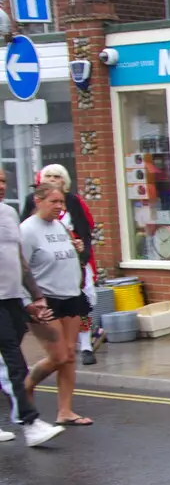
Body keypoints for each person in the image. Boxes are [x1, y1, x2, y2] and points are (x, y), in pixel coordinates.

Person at [0, 169, 65, 446]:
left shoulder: (9, 214)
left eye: (3, 181)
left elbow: (19, 259)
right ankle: (30, 424)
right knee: (14, 363)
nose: (1, 186)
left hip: (12, 297)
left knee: (6, 364)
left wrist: (35, 296)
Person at [21, 185, 94, 426]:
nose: (60, 207)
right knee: (58, 356)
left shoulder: (61, 226)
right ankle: (25, 387)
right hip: (45, 300)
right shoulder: (28, 230)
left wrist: (77, 249)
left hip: (70, 296)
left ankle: (65, 411)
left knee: (70, 355)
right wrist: (29, 302)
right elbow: (21, 269)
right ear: (38, 200)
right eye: (54, 202)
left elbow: (66, 254)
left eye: (62, 203)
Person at [26, 165, 99, 365]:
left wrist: (81, 254)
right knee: (60, 356)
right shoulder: (30, 219)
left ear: (64, 181)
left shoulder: (74, 202)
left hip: (73, 264)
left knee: (83, 305)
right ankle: (27, 383)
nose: (52, 179)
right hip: (47, 279)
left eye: (56, 176)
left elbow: (85, 230)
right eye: (48, 175)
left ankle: (86, 345)